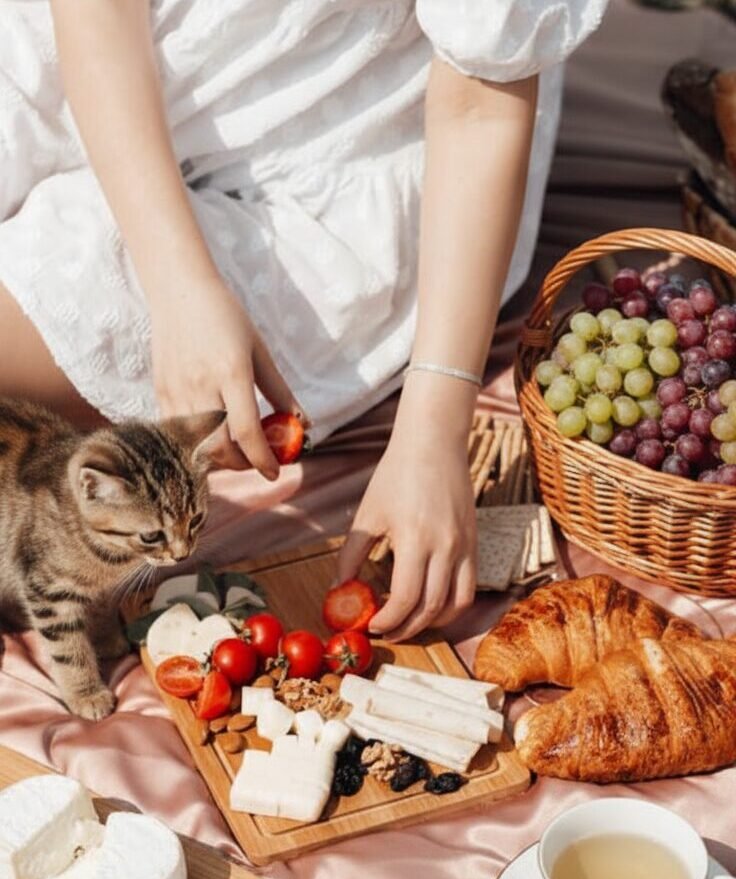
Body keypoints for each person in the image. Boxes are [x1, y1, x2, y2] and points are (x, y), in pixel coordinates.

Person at [0, 0, 607, 640]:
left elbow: (480, 108)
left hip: (344, 137)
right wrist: (181, 289)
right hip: (118, 52)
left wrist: (433, 434)